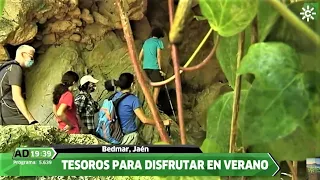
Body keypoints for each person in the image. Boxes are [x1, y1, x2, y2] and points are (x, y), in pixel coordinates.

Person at [102, 73, 171, 145]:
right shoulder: (133, 99)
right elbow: (144, 120)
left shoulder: (115, 96)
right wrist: (163, 123)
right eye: (134, 83)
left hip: (112, 134)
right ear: (132, 85)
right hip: (126, 137)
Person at [0, 45, 38, 125]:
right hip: (11, 111)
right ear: (23, 54)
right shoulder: (15, 68)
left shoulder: (5, 68)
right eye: (31, 57)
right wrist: (31, 120)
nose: (32, 60)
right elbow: (16, 96)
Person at [139, 27, 165, 106]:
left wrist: (140, 64)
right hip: (154, 67)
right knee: (158, 85)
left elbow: (140, 55)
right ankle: (153, 104)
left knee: (149, 84)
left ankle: (154, 102)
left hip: (145, 67)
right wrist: (160, 69)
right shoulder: (158, 42)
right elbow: (159, 56)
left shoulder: (146, 42)